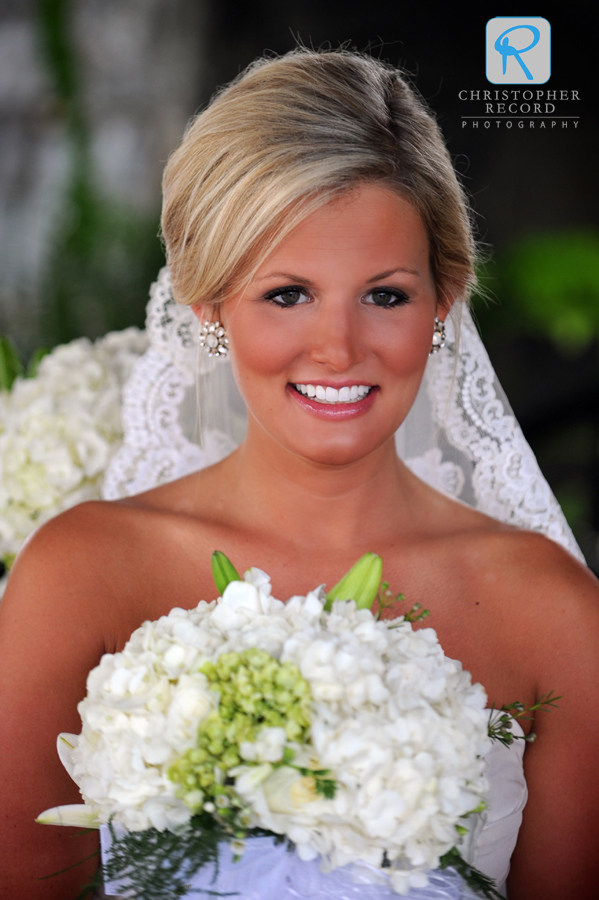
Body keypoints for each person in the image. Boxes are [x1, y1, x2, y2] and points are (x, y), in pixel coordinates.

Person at [1, 48, 598, 900]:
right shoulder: (80, 574)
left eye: (385, 295)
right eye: (287, 293)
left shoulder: (553, 612)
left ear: (443, 300)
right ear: (208, 306)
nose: (338, 349)